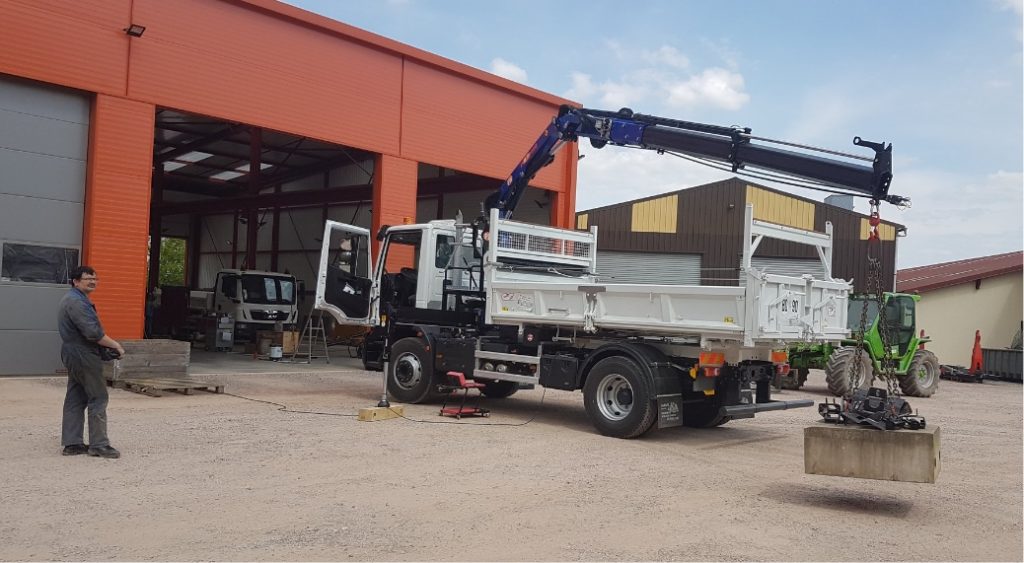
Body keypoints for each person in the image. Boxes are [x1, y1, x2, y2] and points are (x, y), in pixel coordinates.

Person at [58, 266, 125, 459]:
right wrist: (116, 346)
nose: (93, 282)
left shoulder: (73, 299)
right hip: (82, 353)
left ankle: (72, 443)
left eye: (95, 278)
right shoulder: (76, 302)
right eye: (88, 279)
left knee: (75, 397)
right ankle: (99, 445)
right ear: (76, 281)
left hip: (73, 352)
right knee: (98, 397)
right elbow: (93, 333)